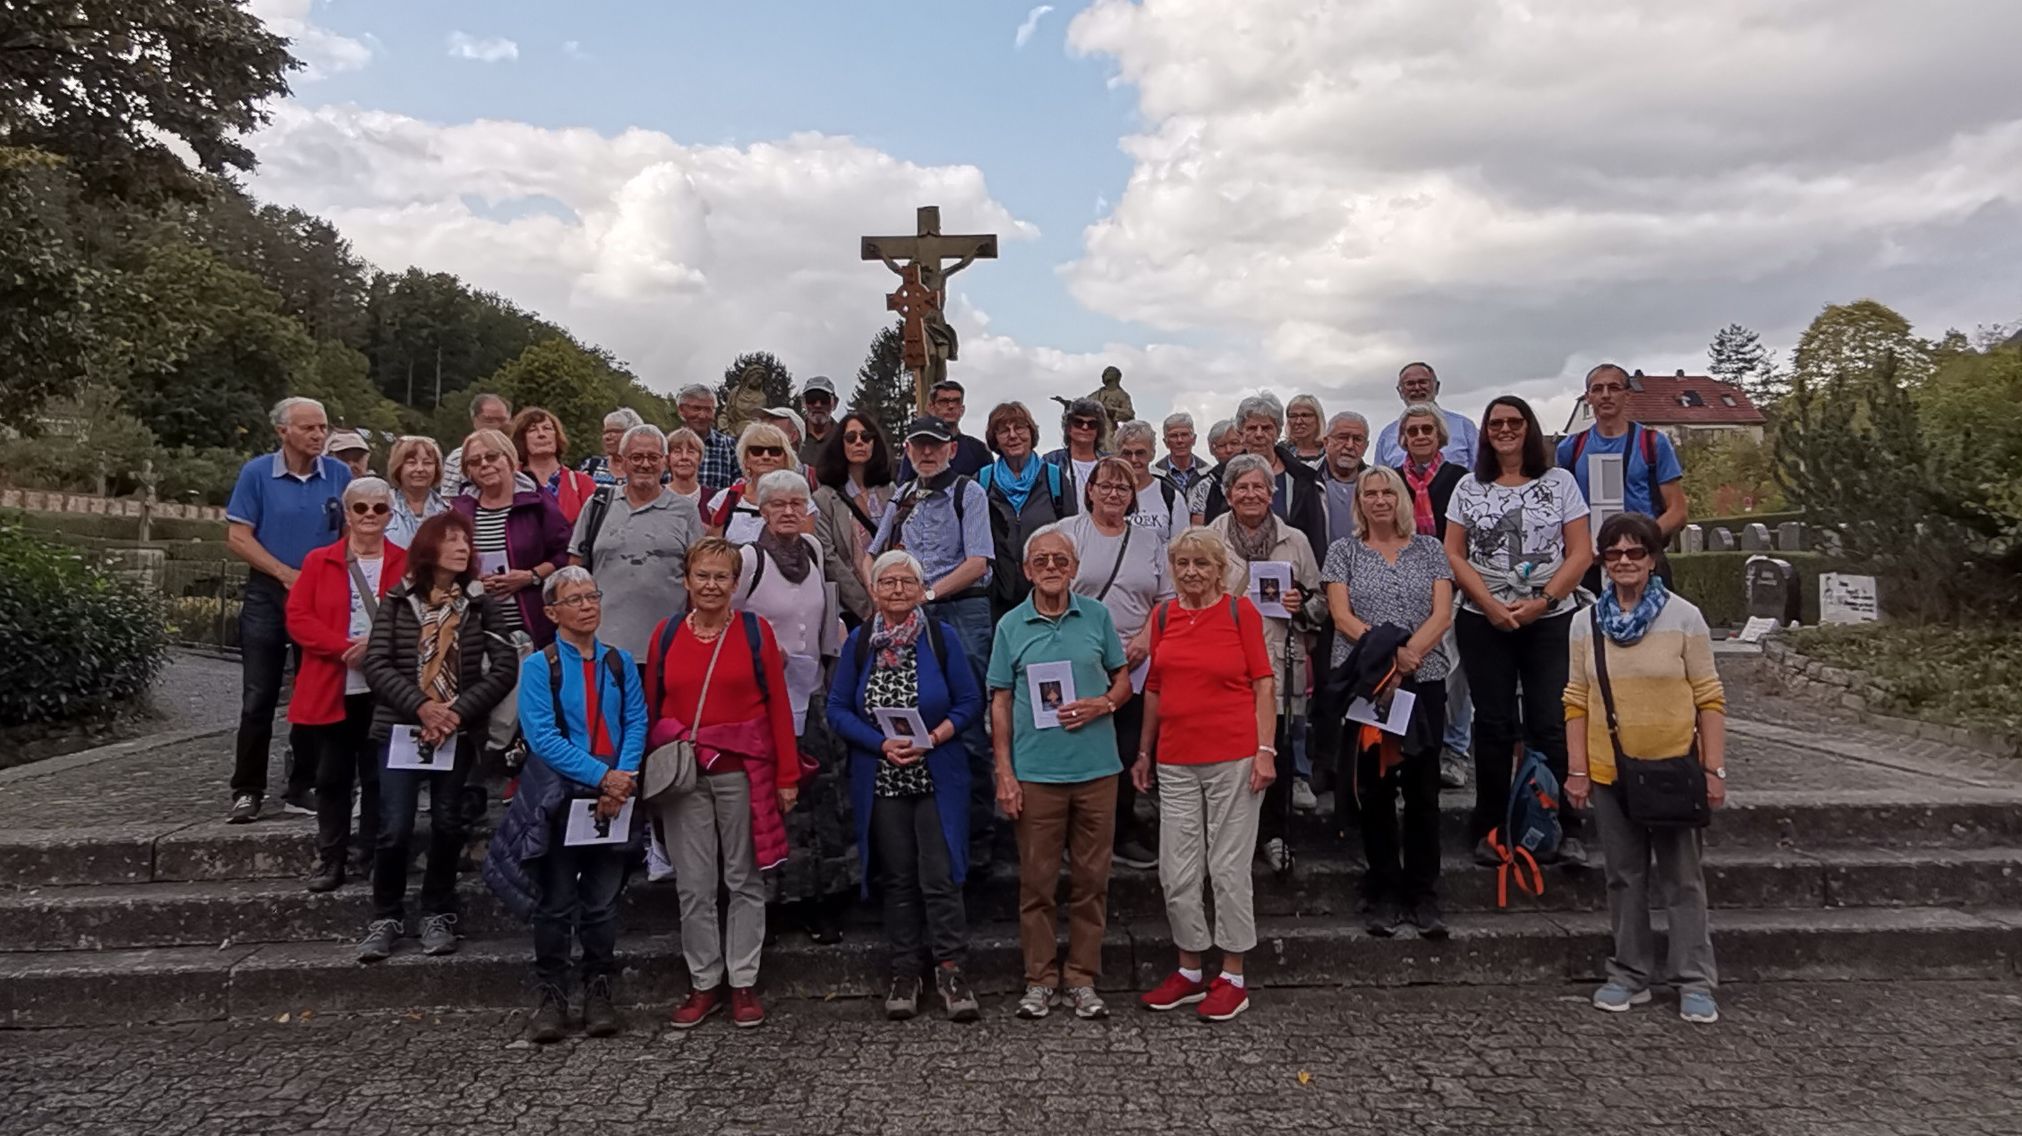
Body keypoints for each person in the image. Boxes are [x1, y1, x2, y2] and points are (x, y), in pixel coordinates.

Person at [1564, 512, 1727, 1024]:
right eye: (1614, 553)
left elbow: (1709, 697)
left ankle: (1694, 979)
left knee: (1683, 880)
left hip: (1674, 767)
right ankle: (1630, 972)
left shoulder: (1684, 618)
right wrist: (1577, 769)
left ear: (1653, 559)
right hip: (1611, 770)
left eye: (1635, 552)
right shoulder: (1585, 622)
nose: (1625, 561)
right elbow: (1576, 699)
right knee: (1624, 877)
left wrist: (1714, 769)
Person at [645, 537, 802, 1029]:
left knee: (744, 879)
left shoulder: (756, 632)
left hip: (741, 771)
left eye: (721, 577)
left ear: (736, 584)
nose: (710, 585)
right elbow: (652, 706)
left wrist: (788, 775)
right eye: (702, 575)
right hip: (685, 775)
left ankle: (743, 980)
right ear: (686, 580)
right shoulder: (666, 634)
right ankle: (703, 981)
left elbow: (778, 706)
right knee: (694, 884)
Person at [486, 566, 647, 1042]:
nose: (587, 606)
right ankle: (551, 995)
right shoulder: (540, 666)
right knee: (555, 901)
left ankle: (599, 990)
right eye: (574, 599)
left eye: (592, 596)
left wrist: (622, 777)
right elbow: (542, 737)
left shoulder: (619, 662)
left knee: (602, 901)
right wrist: (602, 777)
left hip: (614, 796)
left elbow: (636, 720)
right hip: (561, 797)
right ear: (552, 612)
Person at [356, 512, 519, 962]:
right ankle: (386, 915)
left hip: (457, 732)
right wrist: (422, 707)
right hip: (401, 727)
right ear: (429, 547)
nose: (463, 547)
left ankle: (437, 912)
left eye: (466, 540)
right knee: (394, 827)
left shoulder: (481, 603)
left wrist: (456, 712)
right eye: (451, 540)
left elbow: (505, 666)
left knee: (449, 822)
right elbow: (377, 664)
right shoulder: (398, 599)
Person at [828, 551, 985, 1021]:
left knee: (940, 874)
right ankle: (904, 971)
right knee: (897, 878)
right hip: (882, 776)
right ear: (874, 591)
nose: (898, 590)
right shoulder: (861, 643)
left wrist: (934, 738)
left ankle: (951, 970)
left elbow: (969, 700)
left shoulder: (941, 638)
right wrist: (879, 744)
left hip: (936, 772)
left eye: (907, 582)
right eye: (888, 582)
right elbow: (837, 709)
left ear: (921, 590)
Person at [986, 525, 1132, 1021]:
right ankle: (1040, 979)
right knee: (1038, 884)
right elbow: (1000, 700)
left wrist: (1103, 704)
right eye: (1042, 561)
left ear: (1074, 569)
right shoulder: (1010, 626)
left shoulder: (1097, 616)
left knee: (1092, 882)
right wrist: (1005, 772)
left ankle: (1083, 978)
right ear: (1027, 571)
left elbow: (1123, 679)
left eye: (1061, 560)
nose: (1051, 567)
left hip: (1096, 770)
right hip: (1037, 773)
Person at [1444, 395, 1594, 867]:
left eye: (1514, 421)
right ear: (1485, 433)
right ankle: (1492, 827)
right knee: (1493, 724)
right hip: (1484, 617)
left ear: (1529, 427)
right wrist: (1489, 604)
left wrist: (1544, 601)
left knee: (1549, 721)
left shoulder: (1560, 482)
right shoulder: (1469, 486)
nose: (1505, 430)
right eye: (1496, 424)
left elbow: (1580, 551)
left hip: (1549, 617)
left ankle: (1559, 823)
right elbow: (1453, 553)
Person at [1133, 527, 1275, 1022]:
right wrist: (1144, 751)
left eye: (1201, 564)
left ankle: (1232, 976)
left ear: (1219, 570)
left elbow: (1263, 684)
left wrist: (1265, 750)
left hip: (1234, 756)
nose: (1191, 572)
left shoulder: (1240, 612)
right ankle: (1190, 968)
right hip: (1175, 759)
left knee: (1228, 867)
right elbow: (1154, 687)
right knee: (1176, 869)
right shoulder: (1163, 616)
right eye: (1183, 564)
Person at [1321, 467, 1455, 937]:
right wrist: (1388, 656)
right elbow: (1341, 616)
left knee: (1423, 789)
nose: (1379, 500)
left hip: (1424, 679)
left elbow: (1442, 612)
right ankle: (1383, 888)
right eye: (1370, 493)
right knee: (1375, 789)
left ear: (1401, 499)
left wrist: (1409, 655)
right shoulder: (1343, 552)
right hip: (1370, 684)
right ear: (1359, 502)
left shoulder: (1430, 549)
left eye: (1387, 492)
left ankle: (1423, 892)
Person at [868, 416, 998, 867]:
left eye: (936, 446)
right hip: (910, 613)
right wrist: (881, 592)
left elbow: (978, 561)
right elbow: (874, 553)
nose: (927, 453)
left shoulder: (968, 493)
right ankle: (925, 827)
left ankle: (979, 832)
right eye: (919, 445)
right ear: (907, 449)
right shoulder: (903, 494)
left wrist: (924, 595)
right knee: (912, 711)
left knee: (968, 717)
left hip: (960, 610)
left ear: (951, 449)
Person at [733, 470, 856, 943]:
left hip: (812, 695)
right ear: (762, 511)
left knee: (820, 800)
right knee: (771, 803)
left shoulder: (815, 550)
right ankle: (772, 902)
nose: (788, 512)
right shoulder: (748, 559)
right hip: (763, 703)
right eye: (778, 504)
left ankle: (822, 900)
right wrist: (760, 650)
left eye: (796, 504)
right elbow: (725, 620)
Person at [224, 396, 353, 824]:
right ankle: (247, 788)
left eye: (323, 427)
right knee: (258, 694)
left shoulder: (339, 474)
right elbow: (238, 536)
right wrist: (284, 573)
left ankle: (303, 783)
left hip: (319, 594)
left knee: (314, 689)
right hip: (268, 591)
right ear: (283, 432)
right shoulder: (257, 473)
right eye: (309, 428)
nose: (319, 435)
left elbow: (350, 532)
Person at [285, 476, 406, 892]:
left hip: (385, 688)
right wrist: (342, 648)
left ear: (390, 514)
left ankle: (369, 854)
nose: (370, 515)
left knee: (378, 777)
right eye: (361, 508)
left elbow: (416, 617)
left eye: (379, 508)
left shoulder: (405, 562)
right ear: (347, 513)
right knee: (332, 776)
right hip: (333, 684)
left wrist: (375, 645)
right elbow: (298, 616)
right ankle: (331, 856)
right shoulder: (319, 561)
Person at [1208, 453, 1324, 871]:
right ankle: (1229, 837)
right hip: (1223, 661)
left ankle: (1274, 835)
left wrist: (1301, 604)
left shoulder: (1296, 541)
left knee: (1273, 748)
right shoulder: (1208, 538)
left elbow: (1320, 601)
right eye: (1242, 487)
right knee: (1225, 752)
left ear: (1272, 493)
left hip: (1277, 658)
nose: (1251, 494)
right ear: (1228, 494)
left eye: (1259, 486)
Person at [1059, 457, 1172, 870]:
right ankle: (1074, 834)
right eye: (1104, 485)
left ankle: (1120, 831)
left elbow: (1166, 599)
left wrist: (1145, 637)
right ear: (1089, 490)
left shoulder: (1149, 541)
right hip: (1078, 656)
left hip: (1133, 659)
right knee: (1080, 746)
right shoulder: (1066, 533)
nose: (1113, 494)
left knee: (1125, 747)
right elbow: (1049, 588)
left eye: (1122, 488)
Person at [569, 424, 702, 669]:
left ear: (664, 462)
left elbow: (698, 577)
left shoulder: (685, 510)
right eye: (637, 457)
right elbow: (575, 572)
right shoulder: (598, 504)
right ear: (623, 462)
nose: (645, 464)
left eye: (653, 457)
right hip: (602, 648)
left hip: (666, 649)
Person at [1557, 363, 1689, 589]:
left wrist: (1638, 541)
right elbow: (1561, 511)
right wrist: (1581, 546)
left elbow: (1678, 511)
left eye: (1614, 388)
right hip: (1589, 562)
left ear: (1627, 395)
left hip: (1643, 558)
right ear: (1588, 397)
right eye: (1597, 389)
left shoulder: (1653, 443)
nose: (1605, 395)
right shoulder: (1570, 448)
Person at [1397, 403, 1474, 790]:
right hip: (1405, 588)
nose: (1420, 437)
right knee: (1409, 666)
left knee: (1454, 672)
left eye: (1427, 430)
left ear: (1440, 435)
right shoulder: (1394, 480)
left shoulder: (1460, 479)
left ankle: (1455, 750)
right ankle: (1409, 747)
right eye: (1412, 431)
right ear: (1403, 439)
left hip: (1454, 585)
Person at [452, 429, 572, 647]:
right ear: (468, 471)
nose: (484, 465)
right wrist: (471, 578)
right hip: (477, 633)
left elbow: (566, 553)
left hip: (533, 628)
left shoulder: (538, 503)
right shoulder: (460, 512)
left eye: (491, 457)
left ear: (509, 459)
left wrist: (531, 576)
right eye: (475, 461)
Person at [974, 401, 1076, 620]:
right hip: (997, 597)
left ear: (1031, 433)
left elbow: (1072, 537)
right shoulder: (982, 482)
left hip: (1047, 590)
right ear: (995, 439)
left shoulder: (1054, 478)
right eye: (1004, 430)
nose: (1013, 435)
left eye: (1019, 427)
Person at [1198, 393, 1328, 561]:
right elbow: (1212, 538)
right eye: (1252, 428)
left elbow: (1315, 538)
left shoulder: (1302, 478)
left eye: (1266, 428)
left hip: (1290, 570)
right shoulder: (1221, 478)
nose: (1259, 434)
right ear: (1241, 433)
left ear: (1277, 432)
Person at [811, 412, 896, 625]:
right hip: (850, 607)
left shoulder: (891, 491)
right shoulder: (824, 498)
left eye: (865, 437)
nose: (859, 442)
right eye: (851, 438)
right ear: (840, 445)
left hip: (894, 597)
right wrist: (865, 606)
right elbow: (829, 557)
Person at [705, 422, 811, 544]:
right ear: (746, 459)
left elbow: (803, 548)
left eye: (774, 451)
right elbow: (714, 548)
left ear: (786, 458)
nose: (766, 456)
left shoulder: (801, 500)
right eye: (757, 451)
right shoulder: (726, 498)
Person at [1374, 363, 1480, 469]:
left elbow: (1481, 470)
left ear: (1436, 387)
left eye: (1423, 382)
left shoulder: (1464, 427)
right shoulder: (1387, 435)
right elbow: (1380, 476)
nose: (1417, 388)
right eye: (1410, 384)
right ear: (1400, 391)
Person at [511, 408, 599, 525]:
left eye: (547, 428)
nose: (541, 434)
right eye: (532, 430)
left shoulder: (582, 483)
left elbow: (596, 526)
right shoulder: (510, 483)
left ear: (557, 436)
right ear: (521, 439)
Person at [898, 380, 992, 479]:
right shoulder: (918, 449)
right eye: (943, 402)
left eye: (956, 402)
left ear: (962, 409)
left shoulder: (979, 450)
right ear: (931, 407)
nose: (951, 406)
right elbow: (906, 485)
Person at [1112, 420, 1187, 544]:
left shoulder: (1171, 497)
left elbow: (1182, 547)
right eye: (1127, 453)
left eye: (1140, 453)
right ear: (1117, 456)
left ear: (1152, 453)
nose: (1134, 459)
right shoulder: (1107, 495)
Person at [442, 393, 512, 498]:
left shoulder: (523, 451)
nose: (497, 425)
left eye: (502, 420)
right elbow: (448, 499)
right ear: (475, 420)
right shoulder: (458, 457)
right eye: (489, 420)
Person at [385, 435, 449, 549]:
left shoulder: (447, 511)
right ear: (398, 467)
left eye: (427, 463)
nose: (420, 469)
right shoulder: (382, 507)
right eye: (412, 463)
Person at [677, 383, 742, 494]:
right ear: (681, 410)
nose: (702, 415)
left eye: (708, 410)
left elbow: (740, 486)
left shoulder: (728, 445)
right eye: (696, 408)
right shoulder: (667, 446)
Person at [1042, 397, 1109, 495]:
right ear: (1068, 427)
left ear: (1098, 430)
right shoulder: (1051, 461)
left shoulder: (1110, 462)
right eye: (1078, 423)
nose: (1085, 427)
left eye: (1092, 424)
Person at [1186, 418, 1241, 525]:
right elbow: (1197, 529)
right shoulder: (1203, 486)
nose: (1229, 450)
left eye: (1234, 443)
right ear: (1212, 450)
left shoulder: (1259, 475)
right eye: (1222, 446)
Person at [1154, 412, 1212, 501]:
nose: (1180, 440)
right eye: (1173, 436)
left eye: (1184, 435)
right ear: (1166, 442)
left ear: (1194, 439)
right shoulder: (1154, 475)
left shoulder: (1209, 474)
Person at [580, 408, 644, 486]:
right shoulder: (591, 466)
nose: (607, 437)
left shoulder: (647, 470)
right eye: (605, 432)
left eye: (614, 431)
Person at [797, 375, 839, 466]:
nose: (818, 405)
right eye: (812, 399)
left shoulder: (847, 438)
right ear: (803, 402)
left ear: (835, 403)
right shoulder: (792, 438)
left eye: (824, 399)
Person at [665, 426, 707, 510]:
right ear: (668, 458)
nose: (684, 457)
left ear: (699, 458)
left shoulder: (714, 499)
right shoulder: (654, 497)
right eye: (677, 451)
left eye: (691, 452)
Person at [1285, 394, 1327, 468]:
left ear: (1318, 419)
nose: (1298, 421)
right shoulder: (1280, 452)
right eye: (1293, 416)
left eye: (1305, 415)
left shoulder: (1331, 452)